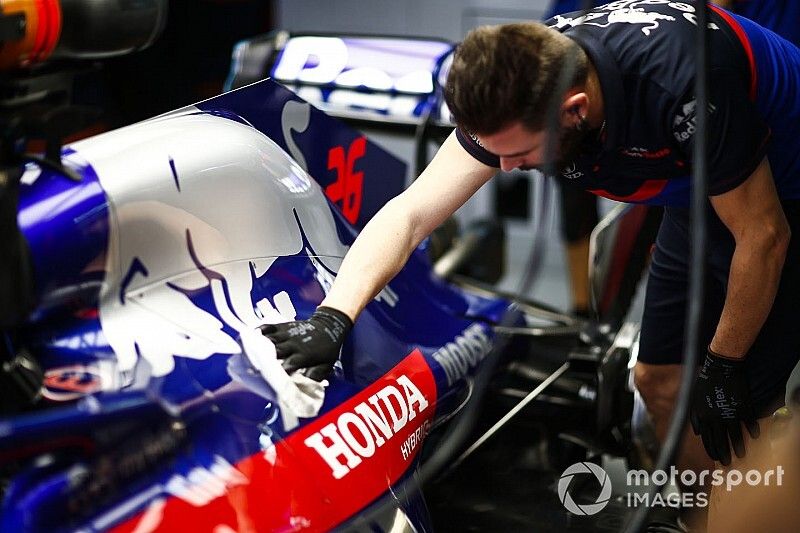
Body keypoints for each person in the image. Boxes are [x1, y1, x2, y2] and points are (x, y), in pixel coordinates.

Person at [262, 0, 800, 510]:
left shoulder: (682, 81)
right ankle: (697, 511)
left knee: (740, 414)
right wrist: (334, 316)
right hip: (698, 191)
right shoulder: (525, 86)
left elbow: (765, 235)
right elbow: (410, 216)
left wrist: (723, 362)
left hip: (782, 197)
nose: (508, 169)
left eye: (519, 154)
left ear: (575, 111)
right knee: (658, 382)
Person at [546, 0, 800, 320]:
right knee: (569, 154)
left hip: (745, 97)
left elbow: (694, 28)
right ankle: (587, 316)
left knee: (739, 239)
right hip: (655, 73)